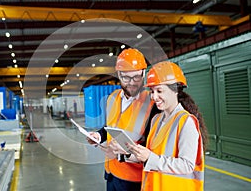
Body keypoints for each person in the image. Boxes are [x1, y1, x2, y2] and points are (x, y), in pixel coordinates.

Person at [126, 61, 208, 191]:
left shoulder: (186, 122)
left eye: (159, 91)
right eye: (152, 91)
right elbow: (152, 156)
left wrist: (149, 157)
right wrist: (127, 153)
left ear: (175, 90)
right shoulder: (156, 120)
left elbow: (186, 165)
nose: (154, 97)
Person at [87, 48, 159, 191]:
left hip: (133, 180)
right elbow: (109, 126)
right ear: (118, 75)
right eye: (126, 77)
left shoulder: (152, 104)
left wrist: (123, 152)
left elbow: (155, 148)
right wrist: (99, 136)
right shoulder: (113, 97)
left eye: (136, 77)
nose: (131, 83)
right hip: (111, 173)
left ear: (144, 73)